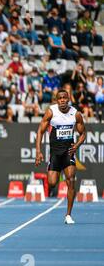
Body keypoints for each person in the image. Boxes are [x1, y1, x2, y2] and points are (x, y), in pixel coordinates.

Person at [35, 90, 87, 225]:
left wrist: (77, 145)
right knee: (52, 183)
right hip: (55, 153)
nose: (63, 100)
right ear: (56, 100)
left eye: (65, 98)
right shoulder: (51, 112)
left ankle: (68, 215)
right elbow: (40, 131)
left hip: (68, 153)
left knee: (71, 180)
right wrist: (38, 151)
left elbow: (83, 133)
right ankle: (59, 173)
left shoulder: (75, 114)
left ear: (68, 99)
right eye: (60, 98)